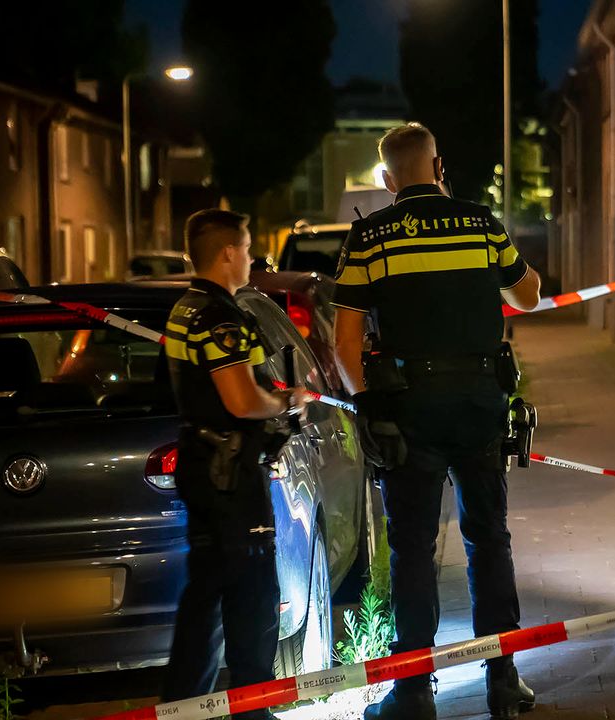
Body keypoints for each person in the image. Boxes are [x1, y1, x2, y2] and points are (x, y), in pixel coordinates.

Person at [332, 123, 541, 720]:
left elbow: (347, 346)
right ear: (439, 166)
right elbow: (527, 296)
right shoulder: (480, 223)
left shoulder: (370, 237)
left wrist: (368, 406)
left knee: (413, 549)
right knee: (488, 538)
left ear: (388, 180)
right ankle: (502, 680)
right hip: (479, 398)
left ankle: (413, 691)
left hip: (408, 407)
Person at [161, 209, 312, 717]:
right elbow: (242, 401)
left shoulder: (185, 307)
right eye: (246, 248)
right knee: (250, 599)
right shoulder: (221, 317)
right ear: (228, 252)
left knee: (204, 597)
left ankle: (181, 706)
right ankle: (254, 708)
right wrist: (287, 401)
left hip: (203, 466)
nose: (250, 258)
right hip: (229, 477)